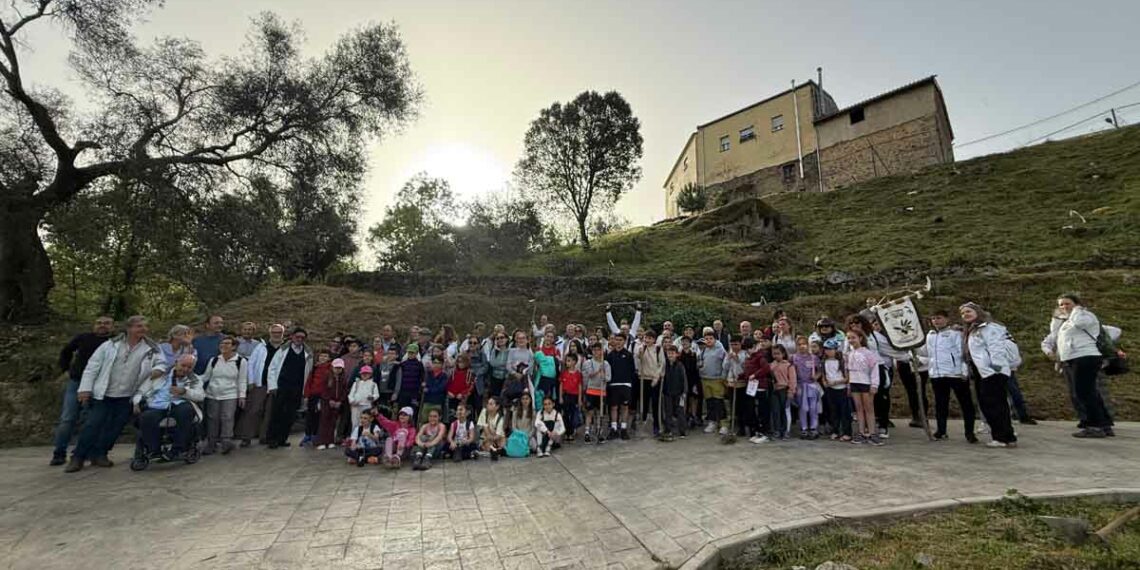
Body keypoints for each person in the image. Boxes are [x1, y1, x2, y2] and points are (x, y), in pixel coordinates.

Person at [66, 316, 164, 473]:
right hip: (104, 393)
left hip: (127, 395)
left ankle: (100, 454)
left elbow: (161, 362)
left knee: (115, 428)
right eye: (139, 326)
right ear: (129, 328)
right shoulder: (110, 345)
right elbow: (92, 367)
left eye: (145, 326)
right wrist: (85, 389)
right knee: (93, 424)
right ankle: (78, 457)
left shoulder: (151, 347)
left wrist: (158, 370)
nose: (143, 329)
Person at [51, 316, 114, 466]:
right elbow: (66, 351)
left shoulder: (114, 343)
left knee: (90, 421)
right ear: (94, 325)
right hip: (77, 382)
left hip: (99, 386)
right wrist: (66, 368)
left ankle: (83, 453)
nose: (102, 326)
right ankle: (59, 453)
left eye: (106, 324)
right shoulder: (83, 338)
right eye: (99, 323)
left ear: (112, 326)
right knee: (68, 418)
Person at [1050, 294, 1113, 438]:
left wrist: (1077, 310)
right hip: (1073, 358)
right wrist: (1056, 318)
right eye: (1061, 305)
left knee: (1084, 393)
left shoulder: (1084, 315)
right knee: (1088, 392)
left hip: (1085, 357)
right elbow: (1056, 336)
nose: (1064, 307)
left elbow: (1080, 324)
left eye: (1068, 303)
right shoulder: (1067, 321)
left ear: (1076, 304)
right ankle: (1103, 424)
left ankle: (1095, 426)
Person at [959, 302, 1018, 448]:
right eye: (963, 313)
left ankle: (1000, 437)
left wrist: (995, 367)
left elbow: (995, 348)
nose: (965, 314)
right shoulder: (972, 330)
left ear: (978, 312)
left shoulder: (989, 328)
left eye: (969, 311)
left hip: (992, 372)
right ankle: (1007, 436)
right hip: (982, 372)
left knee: (993, 405)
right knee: (994, 404)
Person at [134, 354, 205, 460]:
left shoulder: (195, 379)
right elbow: (141, 390)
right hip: (158, 404)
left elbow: (200, 396)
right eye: (183, 365)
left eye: (189, 367)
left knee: (185, 411)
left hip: (179, 404)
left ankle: (178, 449)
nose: (185, 369)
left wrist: (185, 391)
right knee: (146, 417)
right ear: (176, 363)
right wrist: (136, 402)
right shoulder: (161, 375)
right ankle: (154, 450)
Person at [922, 311, 977, 443]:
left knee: (966, 404)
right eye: (933, 318)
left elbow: (962, 353)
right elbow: (928, 354)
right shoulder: (930, 335)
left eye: (939, 318)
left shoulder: (955, 334)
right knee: (941, 404)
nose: (936, 321)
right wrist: (918, 359)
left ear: (946, 319)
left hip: (955, 374)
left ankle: (969, 432)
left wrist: (964, 372)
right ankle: (941, 431)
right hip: (937, 374)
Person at [265, 327, 314, 449]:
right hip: (281, 386)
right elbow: (273, 367)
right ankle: (272, 439)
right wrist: (273, 386)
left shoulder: (308, 353)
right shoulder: (283, 350)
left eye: (302, 338)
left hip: (297, 388)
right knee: (277, 413)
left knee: (290, 415)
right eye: (297, 337)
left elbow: (308, 372)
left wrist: (305, 391)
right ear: (292, 337)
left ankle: (282, 438)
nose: (299, 339)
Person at [237, 323, 284, 447]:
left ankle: (264, 436)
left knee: (270, 412)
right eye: (274, 332)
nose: (276, 335)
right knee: (254, 410)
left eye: (279, 332)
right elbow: (251, 363)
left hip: (276, 385)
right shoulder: (261, 347)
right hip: (260, 383)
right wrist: (251, 380)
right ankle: (246, 437)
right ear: (270, 334)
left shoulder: (285, 348)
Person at [200, 335, 248, 455]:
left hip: (230, 394)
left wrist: (242, 395)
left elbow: (242, 380)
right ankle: (212, 442)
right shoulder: (214, 360)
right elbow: (206, 376)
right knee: (212, 418)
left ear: (234, 347)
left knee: (227, 418)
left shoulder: (240, 361)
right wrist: (191, 378)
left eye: (227, 343)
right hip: (212, 393)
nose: (223, 346)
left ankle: (226, 441)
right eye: (222, 344)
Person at [845, 328, 882, 446]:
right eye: (849, 338)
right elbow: (848, 371)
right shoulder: (849, 354)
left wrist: (874, 384)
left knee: (869, 408)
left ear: (860, 338)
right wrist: (849, 385)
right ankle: (861, 433)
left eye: (853, 338)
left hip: (866, 383)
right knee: (859, 408)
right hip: (854, 383)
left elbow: (874, 369)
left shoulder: (868, 353)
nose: (851, 340)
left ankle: (872, 433)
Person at [605, 333, 635, 440]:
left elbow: (632, 371)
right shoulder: (610, 355)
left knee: (624, 407)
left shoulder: (628, 355)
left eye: (620, 340)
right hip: (613, 385)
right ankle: (613, 429)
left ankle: (624, 429)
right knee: (613, 407)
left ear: (624, 341)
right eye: (616, 340)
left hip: (626, 385)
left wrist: (630, 384)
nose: (618, 342)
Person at [820, 339, 852, 442]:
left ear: (836, 350)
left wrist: (837, 382)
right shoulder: (824, 361)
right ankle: (835, 431)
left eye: (831, 349)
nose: (829, 352)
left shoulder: (841, 362)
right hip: (830, 390)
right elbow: (824, 375)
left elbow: (847, 378)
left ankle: (847, 432)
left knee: (844, 412)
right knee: (833, 412)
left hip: (841, 389)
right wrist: (824, 381)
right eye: (827, 349)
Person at [792, 337, 822, 439]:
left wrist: (816, 376)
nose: (802, 346)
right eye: (799, 344)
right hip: (800, 385)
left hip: (812, 386)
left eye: (804, 344)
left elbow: (819, 371)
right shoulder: (794, 358)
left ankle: (813, 428)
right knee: (803, 408)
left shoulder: (813, 358)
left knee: (813, 407)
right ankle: (804, 428)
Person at [636, 330, 665, 435]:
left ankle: (657, 425)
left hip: (655, 379)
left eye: (649, 338)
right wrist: (641, 353)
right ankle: (643, 422)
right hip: (644, 379)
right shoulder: (641, 348)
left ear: (653, 339)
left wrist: (656, 378)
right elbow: (639, 358)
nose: (647, 340)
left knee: (656, 403)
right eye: (645, 338)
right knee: (644, 401)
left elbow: (661, 364)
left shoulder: (658, 349)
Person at [699, 329, 727, 434]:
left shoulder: (720, 350)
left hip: (717, 379)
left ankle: (724, 424)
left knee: (718, 402)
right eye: (706, 339)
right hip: (705, 379)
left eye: (711, 338)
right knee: (709, 402)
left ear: (715, 339)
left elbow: (725, 363)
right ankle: (712, 422)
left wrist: (724, 377)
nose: (708, 341)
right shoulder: (703, 350)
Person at [582, 342, 611, 443]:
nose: (596, 352)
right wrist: (599, 370)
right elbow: (590, 374)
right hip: (591, 390)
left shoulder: (606, 364)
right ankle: (587, 432)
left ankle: (599, 431)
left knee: (600, 412)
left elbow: (608, 378)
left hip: (601, 392)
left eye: (598, 350)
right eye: (594, 350)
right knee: (589, 412)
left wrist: (604, 375)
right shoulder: (588, 363)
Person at [302, 352, 332, 448]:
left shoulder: (330, 369)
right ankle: (308, 435)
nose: (323, 358)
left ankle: (316, 435)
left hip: (323, 396)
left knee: (319, 416)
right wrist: (306, 395)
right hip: (313, 395)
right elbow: (309, 382)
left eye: (325, 356)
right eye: (321, 356)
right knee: (310, 415)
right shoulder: (315, 368)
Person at [317, 357, 348, 449]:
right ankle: (322, 441)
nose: (337, 370)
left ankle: (330, 440)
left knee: (333, 422)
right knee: (324, 421)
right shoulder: (327, 376)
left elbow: (344, 391)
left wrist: (340, 401)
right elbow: (323, 390)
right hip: (326, 402)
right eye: (336, 368)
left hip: (337, 403)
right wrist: (329, 399)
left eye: (339, 368)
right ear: (332, 367)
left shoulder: (343, 378)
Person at [659, 345, 688, 441]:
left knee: (680, 412)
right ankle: (668, 430)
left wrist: (684, 392)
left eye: (672, 353)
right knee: (668, 412)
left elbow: (684, 379)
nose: (670, 355)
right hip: (667, 393)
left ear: (676, 354)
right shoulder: (664, 365)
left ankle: (682, 431)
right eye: (669, 353)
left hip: (679, 393)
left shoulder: (680, 365)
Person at [391, 342, 426, 418]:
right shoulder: (403, 364)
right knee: (402, 411)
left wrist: (422, 385)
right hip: (403, 392)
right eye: (409, 352)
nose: (410, 354)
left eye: (412, 353)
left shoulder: (419, 364)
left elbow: (422, 377)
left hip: (414, 392)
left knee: (413, 412)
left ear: (416, 353)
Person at [769, 344, 797, 440]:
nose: (776, 356)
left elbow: (792, 380)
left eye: (778, 353)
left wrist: (791, 391)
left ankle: (785, 431)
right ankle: (777, 430)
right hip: (775, 390)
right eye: (774, 354)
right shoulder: (772, 365)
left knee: (784, 411)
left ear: (783, 353)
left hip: (784, 390)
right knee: (775, 411)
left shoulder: (788, 365)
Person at [348, 365, 380, 432]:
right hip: (356, 406)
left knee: (365, 422)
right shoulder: (356, 383)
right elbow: (351, 394)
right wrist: (352, 401)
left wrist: (372, 397)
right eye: (363, 373)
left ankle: (364, 436)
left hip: (367, 406)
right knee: (355, 422)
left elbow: (377, 395)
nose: (365, 375)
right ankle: (354, 437)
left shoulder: (373, 384)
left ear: (370, 374)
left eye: (367, 373)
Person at [559, 353, 583, 441]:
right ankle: (567, 432)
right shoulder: (564, 373)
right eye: (566, 361)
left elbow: (580, 386)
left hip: (574, 396)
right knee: (565, 414)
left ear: (574, 362)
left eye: (569, 361)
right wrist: (560, 397)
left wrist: (580, 399)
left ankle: (572, 431)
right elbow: (561, 385)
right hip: (566, 395)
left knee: (573, 414)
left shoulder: (578, 374)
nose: (567, 363)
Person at [478, 396, 507, 461]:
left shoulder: (500, 418)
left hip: (497, 437)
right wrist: (489, 439)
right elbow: (485, 428)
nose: (488, 405)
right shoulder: (484, 412)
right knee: (487, 443)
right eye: (488, 403)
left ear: (497, 407)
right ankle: (494, 450)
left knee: (502, 443)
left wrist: (493, 439)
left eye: (491, 404)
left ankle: (495, 450)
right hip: (486, 436)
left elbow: (498, 435)